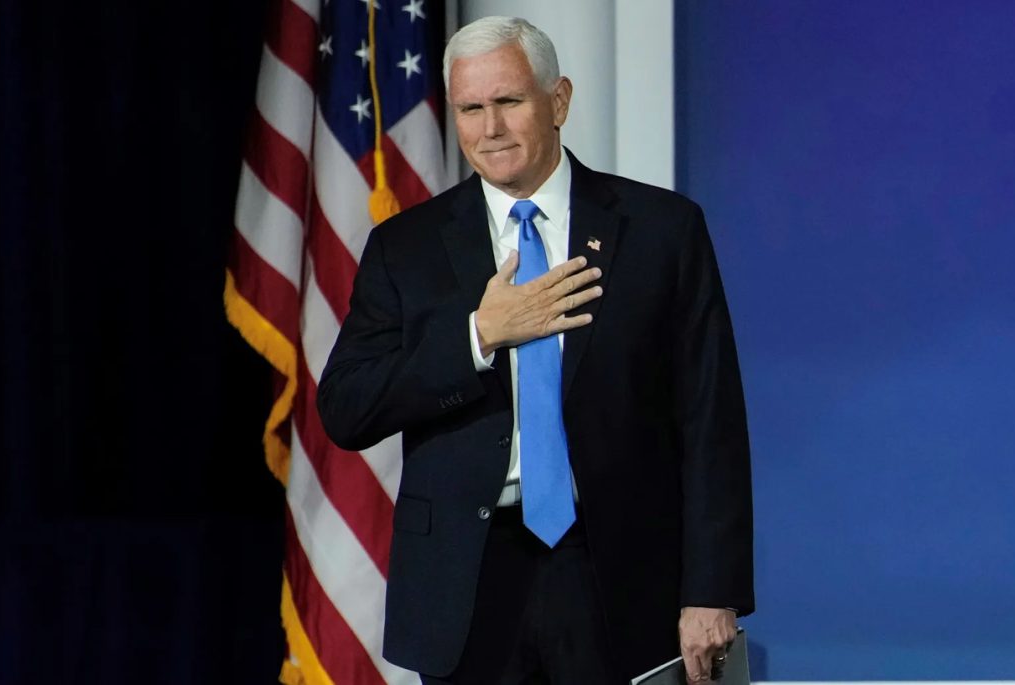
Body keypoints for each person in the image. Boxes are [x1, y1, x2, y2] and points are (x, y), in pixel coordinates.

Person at [317, 15, 753, 685]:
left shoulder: (663, 230)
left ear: (559, 100)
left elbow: (709, 420)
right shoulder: (406, 248)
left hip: (618, 571)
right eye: (470, 108)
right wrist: (479, 335)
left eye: (508, 101)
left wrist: (712, 589)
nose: (488, 128)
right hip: (470, 578)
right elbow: (346, 407)